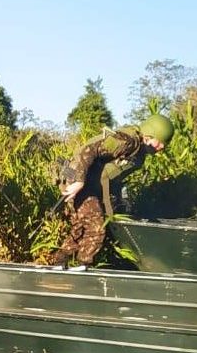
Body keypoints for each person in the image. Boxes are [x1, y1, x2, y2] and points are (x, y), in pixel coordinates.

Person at [47, 113, 175, 268]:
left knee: (82, 227)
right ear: (149, 135)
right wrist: (79, 181)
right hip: (79, 181)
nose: (161, 148)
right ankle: (84, 265)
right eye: (160, 142)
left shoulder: (139, 154)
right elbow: (89, 150)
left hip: (92, 187)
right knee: (96, 227)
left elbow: (112, 176)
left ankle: (59, 261)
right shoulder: (127, 141)